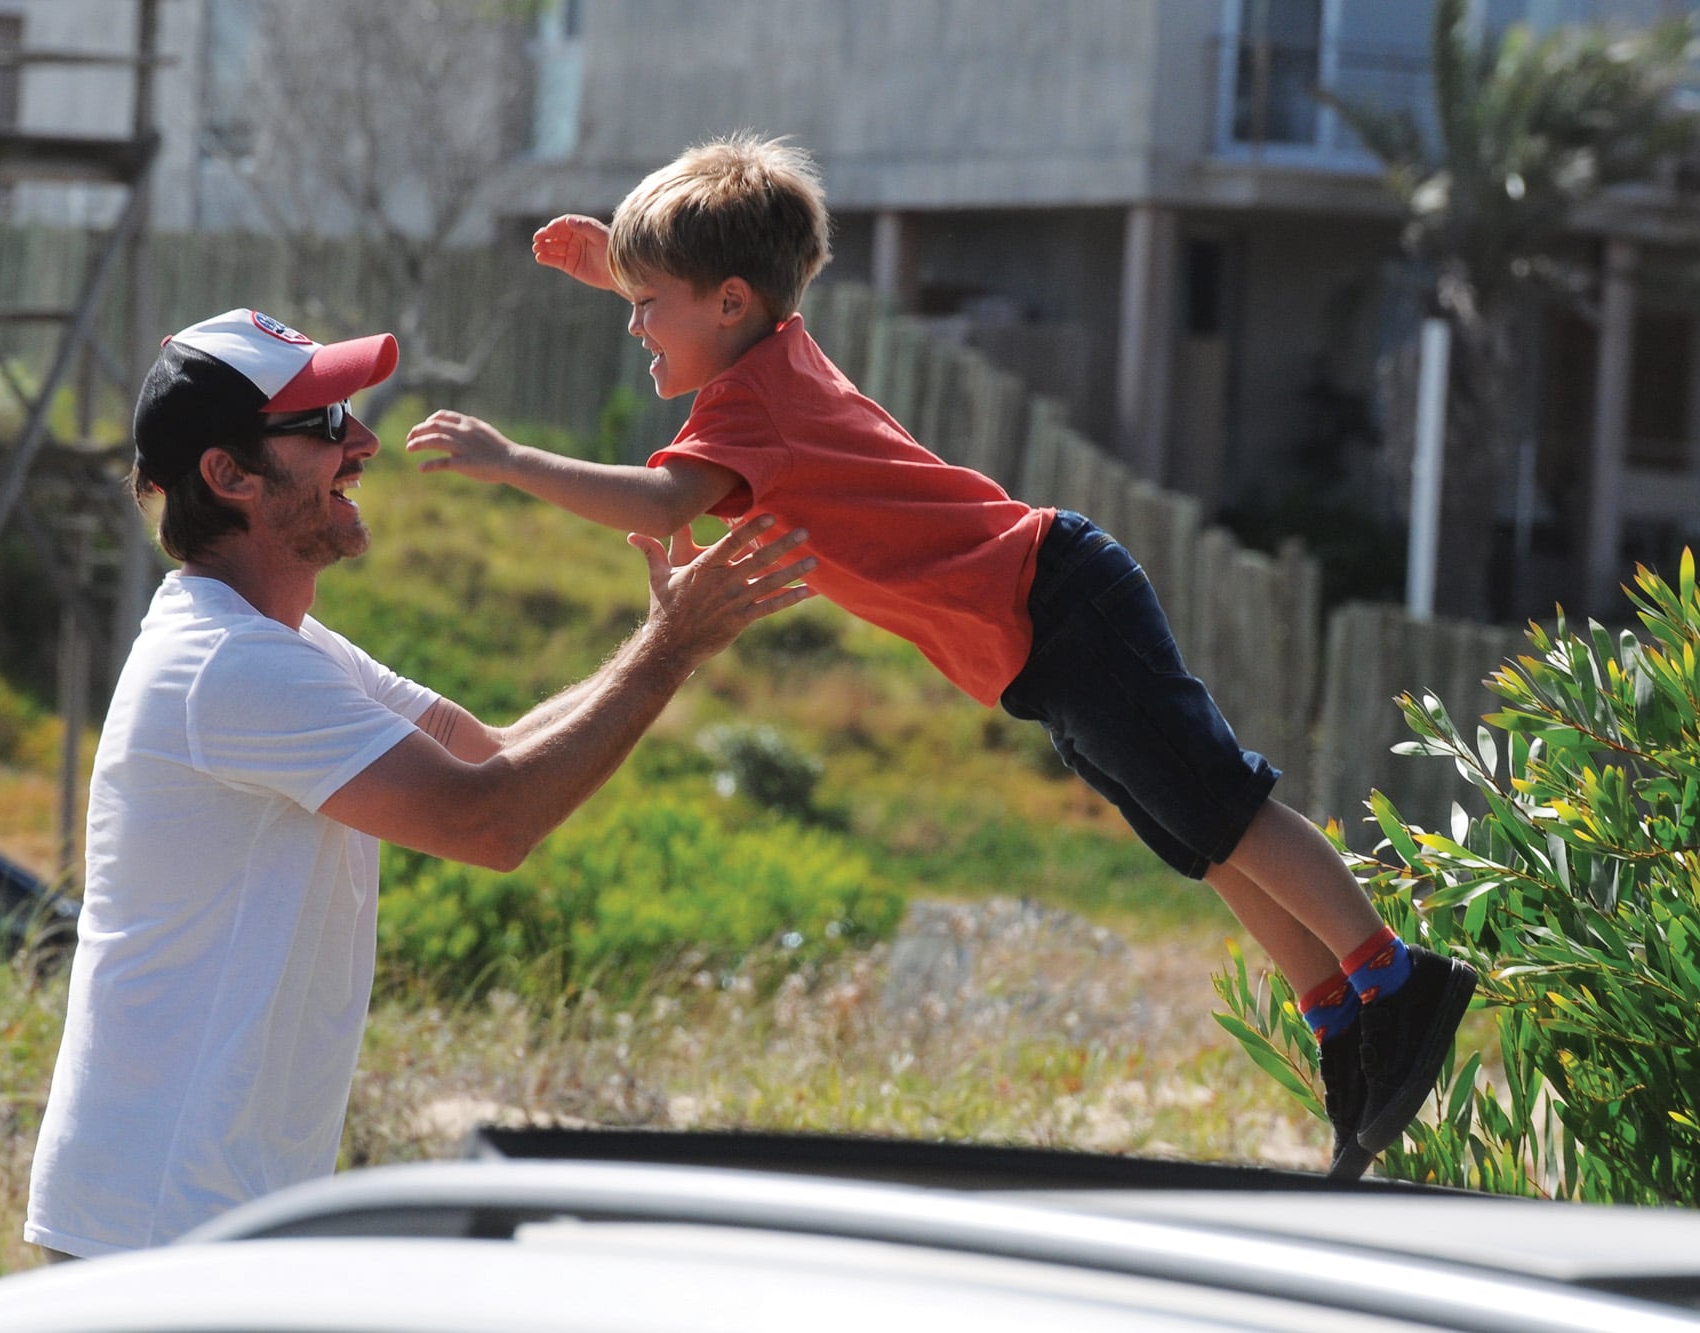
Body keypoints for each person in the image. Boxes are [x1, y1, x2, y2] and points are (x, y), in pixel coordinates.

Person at [403, 135, 1477, 1180]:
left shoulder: (747, 408)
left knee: (1220, 804)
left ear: (727, 301)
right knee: (1191, 834)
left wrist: (511, 461)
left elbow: (658, 499)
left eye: (645, 305)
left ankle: (1394, 978)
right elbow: (709, 309)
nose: (634, 327)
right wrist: (621, 269)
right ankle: (1335, 1014)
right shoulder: (769, 346)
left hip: (1053, 601)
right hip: (1035, 635)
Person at [23, 307, 814, 1258]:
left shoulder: (284, 648)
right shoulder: (231, 666)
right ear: (228, 476)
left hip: (197, 1208)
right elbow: (494, 821)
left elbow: (488, 751)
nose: (360, 442)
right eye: (322, 425)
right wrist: (673, 648)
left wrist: (664, 642)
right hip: (158, 1223)